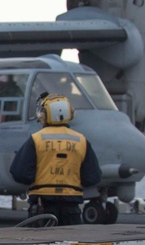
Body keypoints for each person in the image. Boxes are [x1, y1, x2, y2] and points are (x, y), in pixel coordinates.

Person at [9, 95, 101, 226]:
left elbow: (19, 173)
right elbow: (93, 178)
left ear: (44, 115)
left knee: (40, 244)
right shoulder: (81, 141)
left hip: (42, 208)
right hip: (71, 209)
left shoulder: (36, 140)